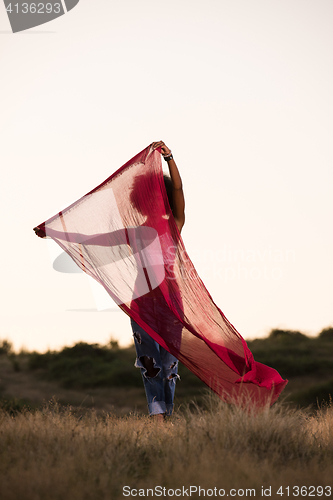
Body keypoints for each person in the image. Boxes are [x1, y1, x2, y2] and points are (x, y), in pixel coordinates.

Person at [130, 141, 185, 421]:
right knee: (149, 363)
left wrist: (169, 159)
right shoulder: (135, 231)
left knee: (169, 364)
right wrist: (57, 230)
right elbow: (97, 240)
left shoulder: (174, 222)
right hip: (142, 299)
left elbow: (178, 189)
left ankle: (167, 417)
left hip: (170, 298)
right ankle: (157, 417)